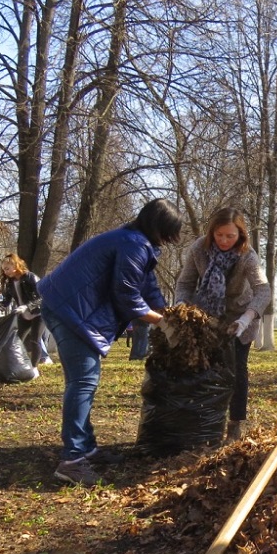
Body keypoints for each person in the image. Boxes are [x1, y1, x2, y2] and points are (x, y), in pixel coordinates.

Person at [39, 198, 182, 486]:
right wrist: (161, 322)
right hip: (71, 311)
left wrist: (173, 314)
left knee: (84, 381)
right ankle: (73, 460)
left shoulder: (135, 242)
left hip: (68, 306)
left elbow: (147, 286)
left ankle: (86, 447)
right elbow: (126, 294)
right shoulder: (133, 244)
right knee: (83, 382)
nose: (169, 240)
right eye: (168, 232)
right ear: (158, 226)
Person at [175, 207, 271, 443]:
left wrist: (246, 319)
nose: (225, 240)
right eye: (220, 235)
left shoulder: (248, 256)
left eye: (231, 236)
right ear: (212, 233)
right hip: (207, 317)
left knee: (237, 371)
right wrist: (182, 307)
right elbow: (185, 283)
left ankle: (235, 423)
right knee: (204, 371)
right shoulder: (199, 249)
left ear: (241, 235)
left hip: (240, 319)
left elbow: (263, 290)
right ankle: (207, 422)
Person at [0, 252, 51, 366]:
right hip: (24, 315)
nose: (5, 272)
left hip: (39, 313)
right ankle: (17, 364)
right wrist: (1, 305)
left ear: (15, 266)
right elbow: (7, 300)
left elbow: (42, 297)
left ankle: (34, 367)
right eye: (4, 269)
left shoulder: (30, 277)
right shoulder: (10, 283)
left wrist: (27, 306)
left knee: (34, 340)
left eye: (7, 268)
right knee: (17, 340)